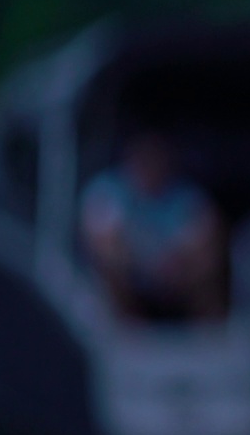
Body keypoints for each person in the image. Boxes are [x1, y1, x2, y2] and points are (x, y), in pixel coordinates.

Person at [81, 132, 227, 321]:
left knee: (208, 256)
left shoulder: (183, 195)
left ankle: (209, 326)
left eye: (155, 159)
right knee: (107, 257)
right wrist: (139, 262)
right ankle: (126, 324)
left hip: (173, 271)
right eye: (144, 160)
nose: (150, 166)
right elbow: (102, 239)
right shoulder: (109, 189)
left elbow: (204, 238)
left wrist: (174, 261)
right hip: (133, 269)